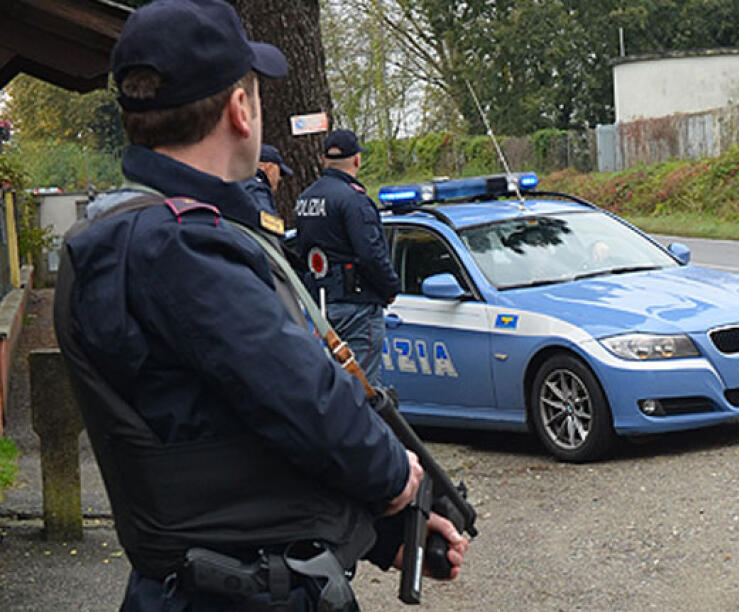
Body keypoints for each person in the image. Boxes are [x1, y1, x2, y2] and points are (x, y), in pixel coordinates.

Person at [52, 1, 465, 610]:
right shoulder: (184, 247)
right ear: (240, 110)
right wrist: (394, 479)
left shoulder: (118, 235)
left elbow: (231, 433)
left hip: (198, 577)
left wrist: (377, 534)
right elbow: (307, 401)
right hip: (249, 590)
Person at [295, 128, 402, 386]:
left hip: (320, 307)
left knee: (329, 386)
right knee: (360, 389)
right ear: (357, 160)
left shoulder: (305, 199)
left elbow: (301, 251)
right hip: (357, 305)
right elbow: (371, 253)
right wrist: (390, 288)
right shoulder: (354, 200)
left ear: (323, 160)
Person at [243, 143, 293, 214]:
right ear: (268, 167)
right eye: (279, 173)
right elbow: (266, 220)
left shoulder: (236, 183)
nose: (279, 178)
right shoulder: (257, 189)